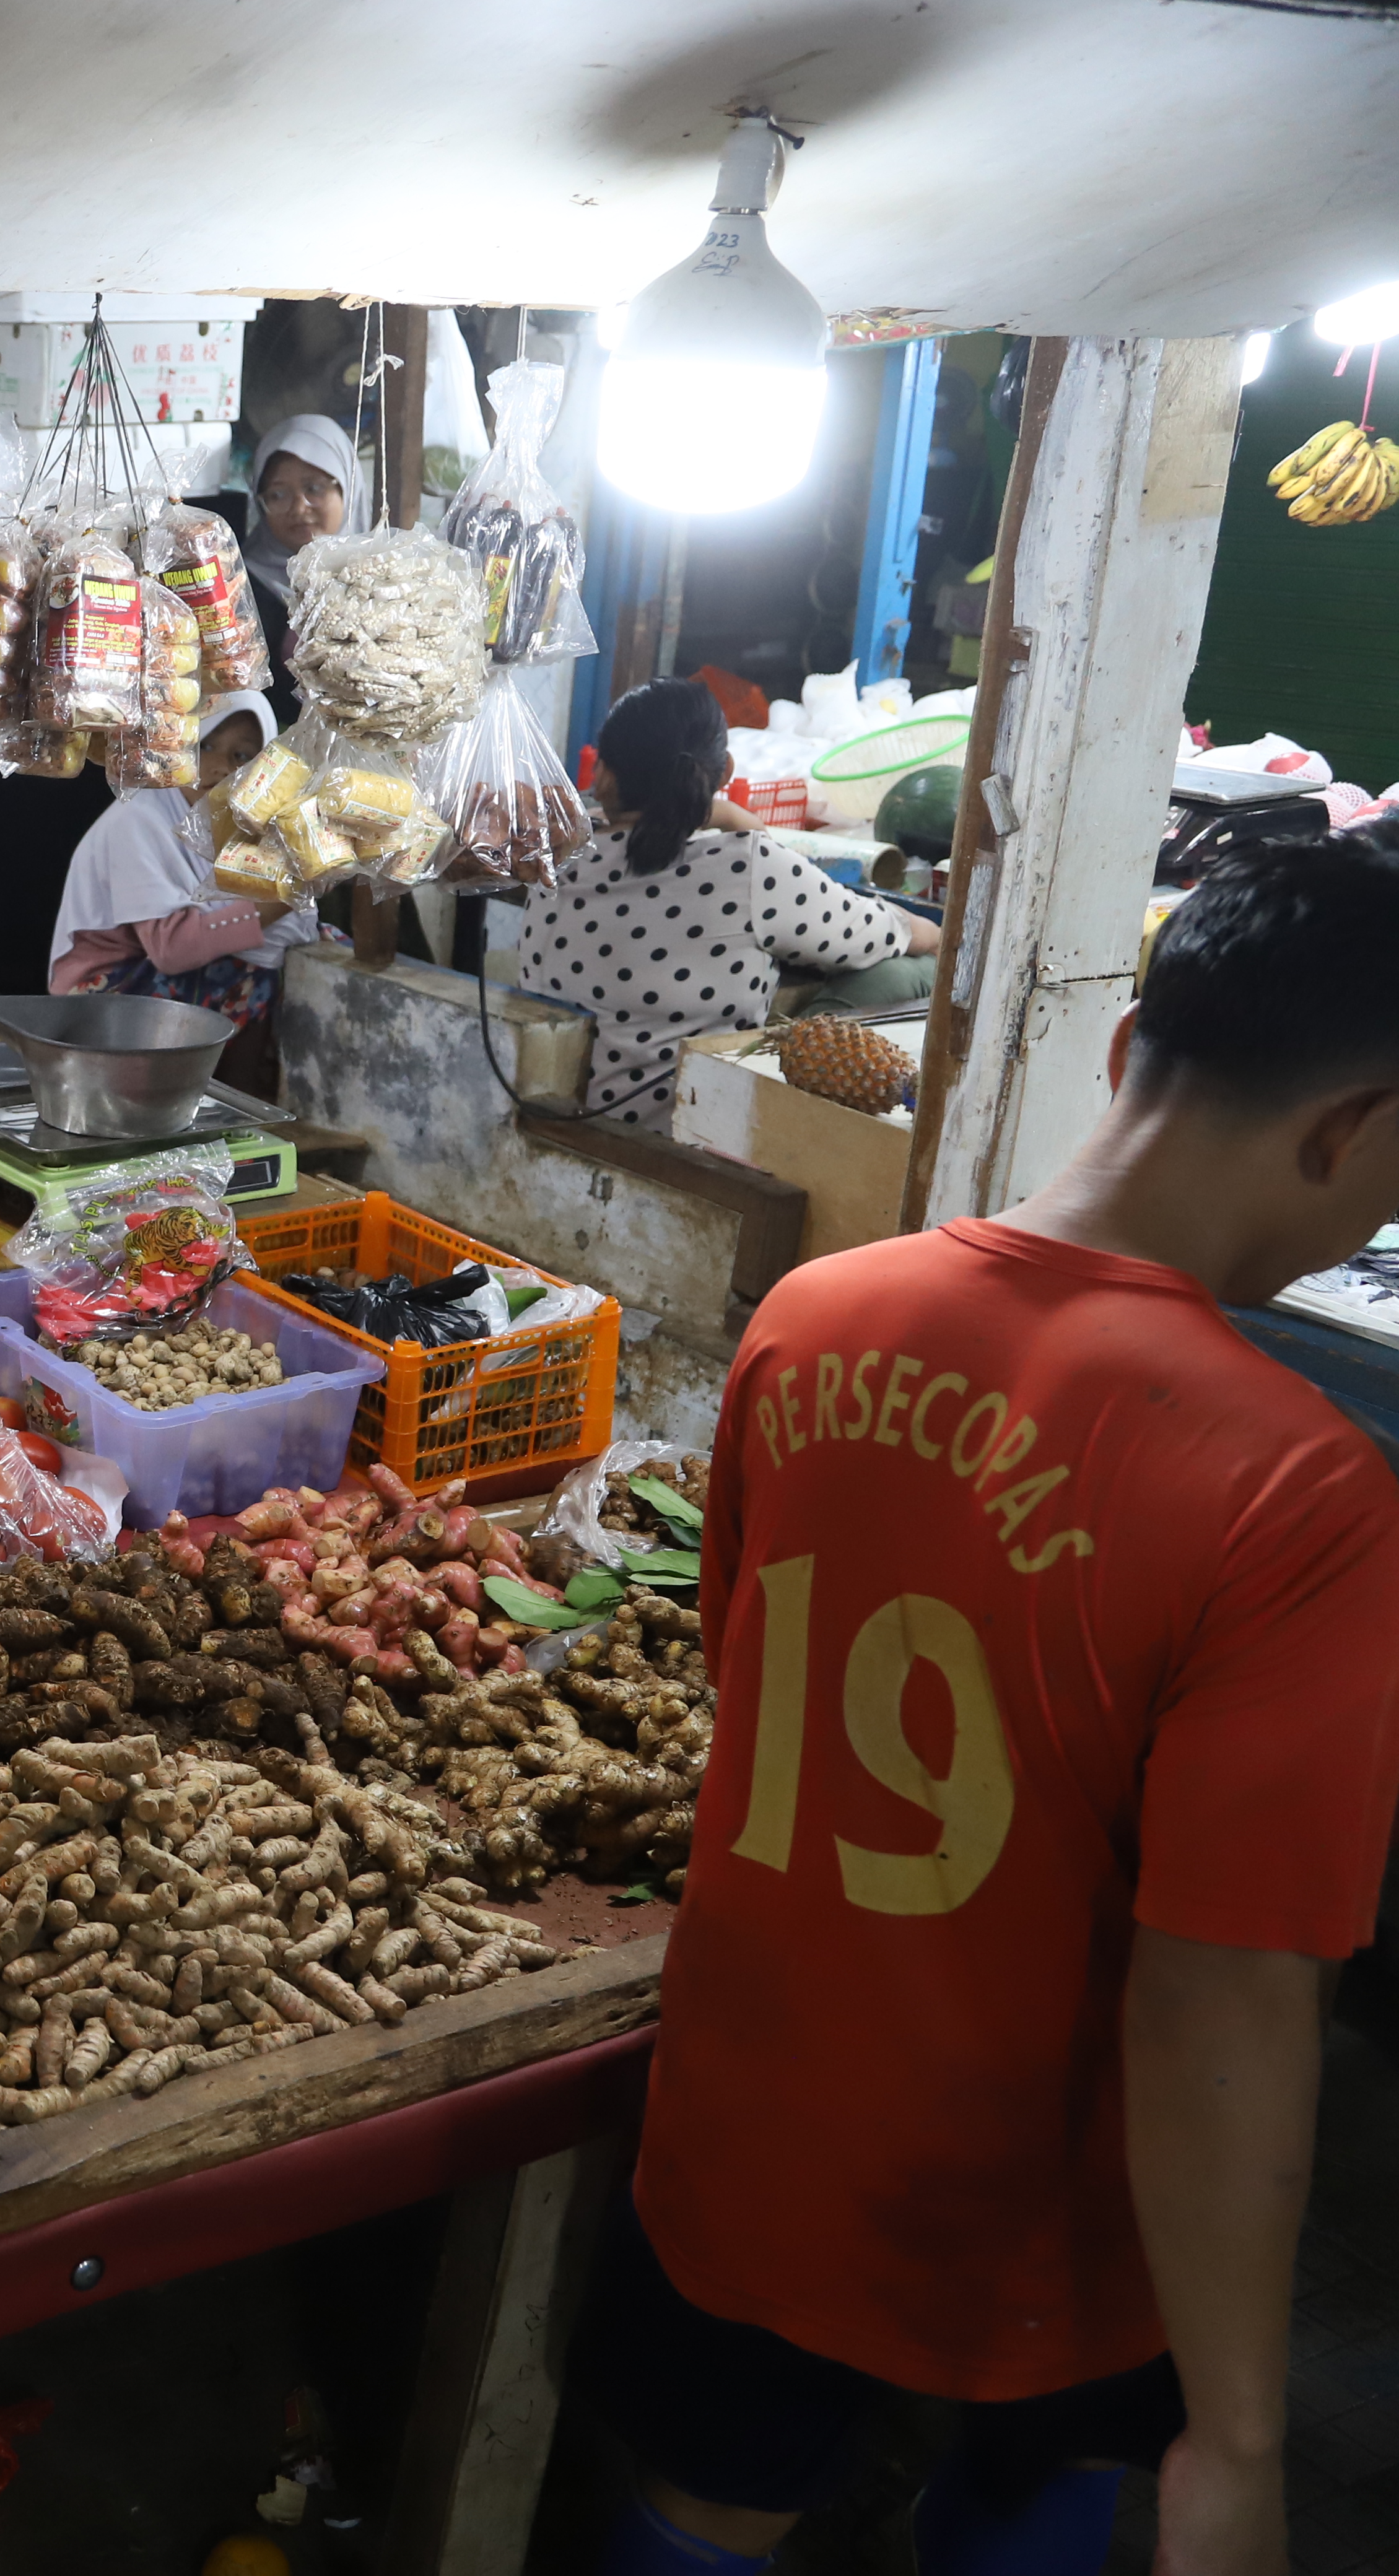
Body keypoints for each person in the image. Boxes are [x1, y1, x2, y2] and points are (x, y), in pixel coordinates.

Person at [580, 830, 1399, 2576]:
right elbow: (1228, 2004)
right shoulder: (1301, 1492)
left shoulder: (810, 1317)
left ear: (1120, 1057)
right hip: (1047, 2221)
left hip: (754, 2135)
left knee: (709, 2499)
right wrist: (1245, 2443)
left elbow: (743, 1668)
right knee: (1033, 2502)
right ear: (1349, 1132)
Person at [518, 677, 941, 1129]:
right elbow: (893, 934)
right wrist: (937, 933)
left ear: (602, 774)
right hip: (683, 1133)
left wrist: (724, 815)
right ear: (725, 774)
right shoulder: (746, 867)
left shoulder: (558, 856)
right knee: (913, 970)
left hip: (562, 1116)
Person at [46, 690, 310, 1051]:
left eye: (242, 756)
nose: (218, 768)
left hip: (147, 980)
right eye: (204, 746)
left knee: (315, 947)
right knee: (261, 978)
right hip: (99, 1000)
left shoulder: (230, 826)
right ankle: (233, 1095)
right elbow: (171, 949)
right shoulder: (139, 818)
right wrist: (283, 897)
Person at [216, 414, 362, 729]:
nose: (299, 508)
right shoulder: (237, 586)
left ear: (348, 488)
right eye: (278, 495)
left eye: (315, 488)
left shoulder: (387, 578)